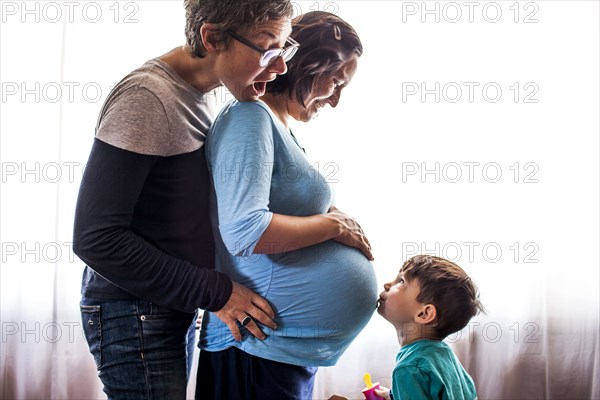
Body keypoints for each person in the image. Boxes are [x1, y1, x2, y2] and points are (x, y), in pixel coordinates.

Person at [72, 1, 296, 398]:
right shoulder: (148, 98)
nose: (280, 67)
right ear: (212, 38)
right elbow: (96, 238)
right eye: (268, 49)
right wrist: (218, 292)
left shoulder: (206, 93)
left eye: (285, 48)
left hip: (169, 305)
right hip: (133, 311)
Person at [198, 11, 377, 400]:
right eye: (335, 82)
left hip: (278, 347)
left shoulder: (277, 125)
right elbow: (248, 231)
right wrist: (333, 227)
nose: (335, 99)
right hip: (255, 344)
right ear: (307, 64)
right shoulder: (250, 117)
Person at [375, 255, 484, 400]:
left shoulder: (410, 368)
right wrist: (394, 395)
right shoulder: (444, 354)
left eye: (401, 281)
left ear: (424, 314)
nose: (387, 285)